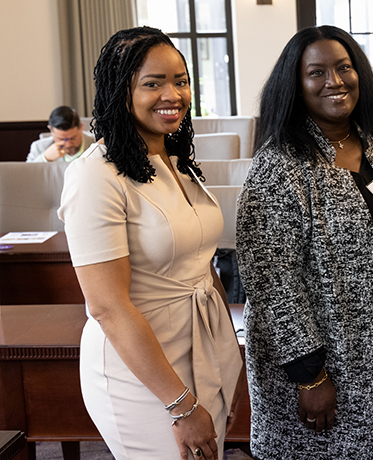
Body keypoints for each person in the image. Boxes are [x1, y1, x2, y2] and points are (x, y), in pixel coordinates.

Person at [236, 26, 373, 460]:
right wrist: (309, 375)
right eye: (316, 72)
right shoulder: (279, 166)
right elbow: (272, 282)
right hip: (329, 359)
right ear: (295, 84)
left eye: (344, 67)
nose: (335, 81)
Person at [58, 26, 242, 459]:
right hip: (140, 373)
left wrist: (225, 357)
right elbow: (107, 306)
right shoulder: (96, 175)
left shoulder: (175, 163)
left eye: (180, 80)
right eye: (153, 83)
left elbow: (203, 265)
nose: (173, 94)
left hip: (201, 347)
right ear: (121, 91)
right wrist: (180, 405)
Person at [26, 106, 95, 162]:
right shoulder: (39, 147)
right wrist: (45, 158)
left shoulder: (97, 143)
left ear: (81, 128)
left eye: (72, 138)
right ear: (51, 131)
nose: (68, 144)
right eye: (61, 139)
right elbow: (27, 174)